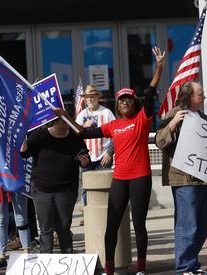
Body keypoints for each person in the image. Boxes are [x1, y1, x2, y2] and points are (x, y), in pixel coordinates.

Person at [57, 46, 165, 275]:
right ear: (117, 105)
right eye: (121, 100)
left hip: (140, 177)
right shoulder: (113, 126)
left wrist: (159, 68)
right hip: (120, 178)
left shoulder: (142, 120)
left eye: (129, 99)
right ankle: (108, 270)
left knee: (139, 225)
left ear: (134, 104)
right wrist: (66, 117)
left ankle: (141, 269)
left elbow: (149, 94)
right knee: (111, 226)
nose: (125, 102)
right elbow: (84, 134)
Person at [156, 81, 207, 275]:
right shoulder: (174, 114)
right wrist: (173, 124)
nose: (204, 97)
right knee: (187, 224)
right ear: (189, 97)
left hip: (203, 179)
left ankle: (193, 264)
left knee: (204, 223)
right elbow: (160, 141)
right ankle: (184, 267)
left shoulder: (204, 118)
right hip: (184, 180)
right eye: (201, 94)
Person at [21, 118, 90, 253]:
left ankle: (67, 259)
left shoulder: (74, 138)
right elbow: (24, 152)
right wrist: (22, 136)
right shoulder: (41, 135)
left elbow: (85, 162)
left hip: (66, 190)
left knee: (63, 227)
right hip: (42, 189)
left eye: (68, 122)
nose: (67, 125)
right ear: (54, 122)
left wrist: (85, 162)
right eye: (64, 122)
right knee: (46, 228)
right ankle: (46, 261)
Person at [75, 84, 115, 209]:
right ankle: (88, 214)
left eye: (92, 96)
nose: (90, 99)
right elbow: (74, 136)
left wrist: (110, 152)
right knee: (86, 188)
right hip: (87, 158)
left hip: (104, 156)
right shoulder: (82, 115)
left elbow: (116, 133)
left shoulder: (107, 113)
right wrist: (84, 127)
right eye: (87, 97)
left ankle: (107, 214)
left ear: (98, 97)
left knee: (105, 186)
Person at [0, 182, 31, 270]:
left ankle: (26, 254)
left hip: (16, 180)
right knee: (1, 220)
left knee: (21, 218)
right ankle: (2, 257)